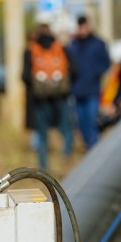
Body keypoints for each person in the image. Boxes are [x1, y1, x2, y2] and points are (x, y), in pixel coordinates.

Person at [22, 23, 74, 171]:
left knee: (42, 134)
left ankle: (43, 167)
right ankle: (66, 157)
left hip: (40, 99)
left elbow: (25, 76)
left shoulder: (31, 50)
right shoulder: (61, 48)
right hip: (61, 97)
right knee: (66, 129)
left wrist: (39, 87)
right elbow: (74, 70)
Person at [69, 15, 110, 149]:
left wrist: (95, 74)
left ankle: (94, 149)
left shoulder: (98, 44)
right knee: (81, 123)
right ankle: (88, 146)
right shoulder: (74, 44)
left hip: (92, 90)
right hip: (77, 90)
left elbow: (106, 63)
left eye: (84, 26)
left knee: (92, 121)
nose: (82, 29)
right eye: (80, 26)